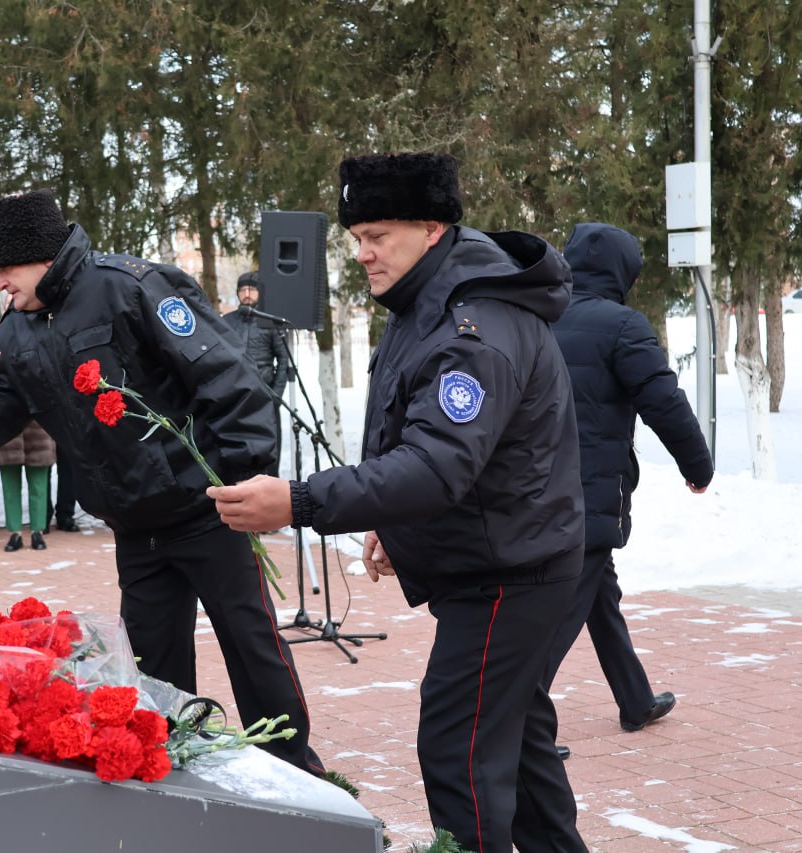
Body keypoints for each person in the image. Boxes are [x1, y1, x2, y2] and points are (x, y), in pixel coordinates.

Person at [0, 187, 324, 777]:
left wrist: (246, 479)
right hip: (135, 524)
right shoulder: (20, 328)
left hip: (210, 508)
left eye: (6, 268)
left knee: (251, 645)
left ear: (42, 255)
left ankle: (297, 772)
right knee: (155, 671)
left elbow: (227, 380)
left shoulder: (132, 287)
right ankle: (177, 773)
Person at [207, 152, 589, 852]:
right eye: (357, 237)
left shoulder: (475, 327)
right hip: (504, 555)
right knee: (518, 749)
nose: (362, 253)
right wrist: (392, 519)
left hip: (509, 572)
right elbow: (420, 441)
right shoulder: (428, 304)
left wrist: (299, 501)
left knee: (458, 748)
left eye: (378, 235)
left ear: (432, 228)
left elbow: (438, 465)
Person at [543, 222, 714, 737]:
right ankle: (519, 728)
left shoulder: (539, 316)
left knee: (600, 595)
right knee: (560, 617)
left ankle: (635, 700)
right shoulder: (622, 325)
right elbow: (663, 401)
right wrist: (698, 466)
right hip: (591, 491)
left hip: (536, 486)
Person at [0, 324, 54, 552]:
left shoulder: (42, 330)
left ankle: (38, 531)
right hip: (5, 420)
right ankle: (15, 533)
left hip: (38, 420)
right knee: (9, 484)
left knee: (39, 482)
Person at [222, 271, 289, 477]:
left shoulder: (270, 322)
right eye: (242, 290)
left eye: (251, 289)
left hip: (266, 399)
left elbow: (284, 360)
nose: (247, 294)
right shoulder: (227, 321)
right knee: (237, 459)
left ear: (260, 292)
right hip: (235, 401)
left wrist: (275, 397)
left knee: (269, 458)